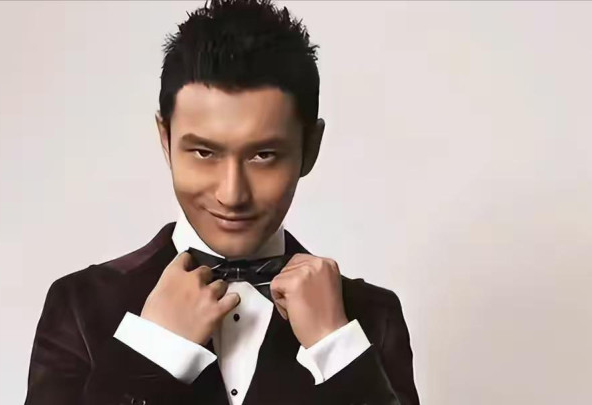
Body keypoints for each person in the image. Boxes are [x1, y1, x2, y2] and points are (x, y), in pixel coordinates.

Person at [24, 1, 419, 404]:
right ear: (165, 139)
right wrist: (153, 353)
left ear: (310, 148)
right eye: (203, 152)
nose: (231, 194)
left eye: (263, 155)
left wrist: (335, 349)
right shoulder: (80, 305)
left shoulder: (372, 315)